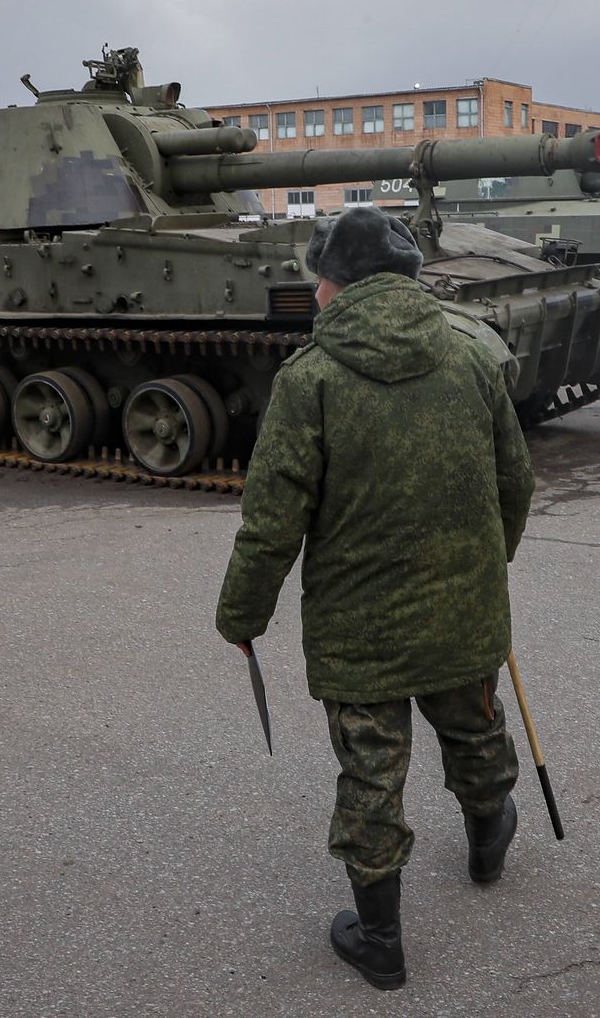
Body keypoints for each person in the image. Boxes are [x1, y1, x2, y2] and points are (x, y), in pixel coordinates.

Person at [216, 205, 536, 990]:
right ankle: (489, 841)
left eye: (319, 277)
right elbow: (515, 481)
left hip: (360, 629)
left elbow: (272, 520)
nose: (316, 292)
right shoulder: (470, 354)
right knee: (473, 726)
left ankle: (381, 940)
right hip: (464, 607)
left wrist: (241, 615)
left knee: (371, 773)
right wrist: (488, 569)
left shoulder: (311, 379)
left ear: (336, 282)